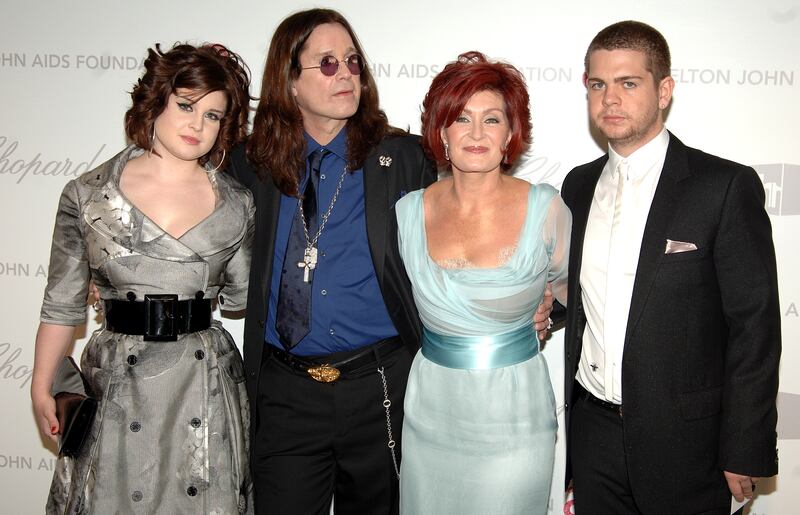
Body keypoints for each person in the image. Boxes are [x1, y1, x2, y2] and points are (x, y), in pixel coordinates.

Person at [560, 20, 781, 514]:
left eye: (628, 83)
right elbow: (581, 297)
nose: (610, 99)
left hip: (690, 446)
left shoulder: (722, 186)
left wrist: (744, 447)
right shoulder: (576, 186)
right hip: (593, 435)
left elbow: (754, 327)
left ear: (664, 91)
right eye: (598, 84)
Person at [226, 8, 437, 514]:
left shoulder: (406, 158)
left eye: (352, 61)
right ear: (290, 82)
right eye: (326, 64)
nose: (345, 73)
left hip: (382, 386)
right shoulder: (249, 164)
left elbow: (467, 229)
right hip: (285, 395)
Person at [30, 43, 255, 514]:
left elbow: (240, 296)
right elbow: (61, 305)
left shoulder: (238, 203)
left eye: (213, 116)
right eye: (187, 105)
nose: (197, 125)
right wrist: (41, 384)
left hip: (203, 381)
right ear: (156, 101)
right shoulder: (88, 196)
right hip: (117, 382)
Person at [395, 51, 571, 514]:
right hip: (431, 411)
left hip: (515, 418)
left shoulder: (546, 210)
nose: (476, 134)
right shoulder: (407, 212)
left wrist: (546, 311)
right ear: (441, 133)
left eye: (491, 119)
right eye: (461, 119)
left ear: (510, 133)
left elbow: (578, 296)